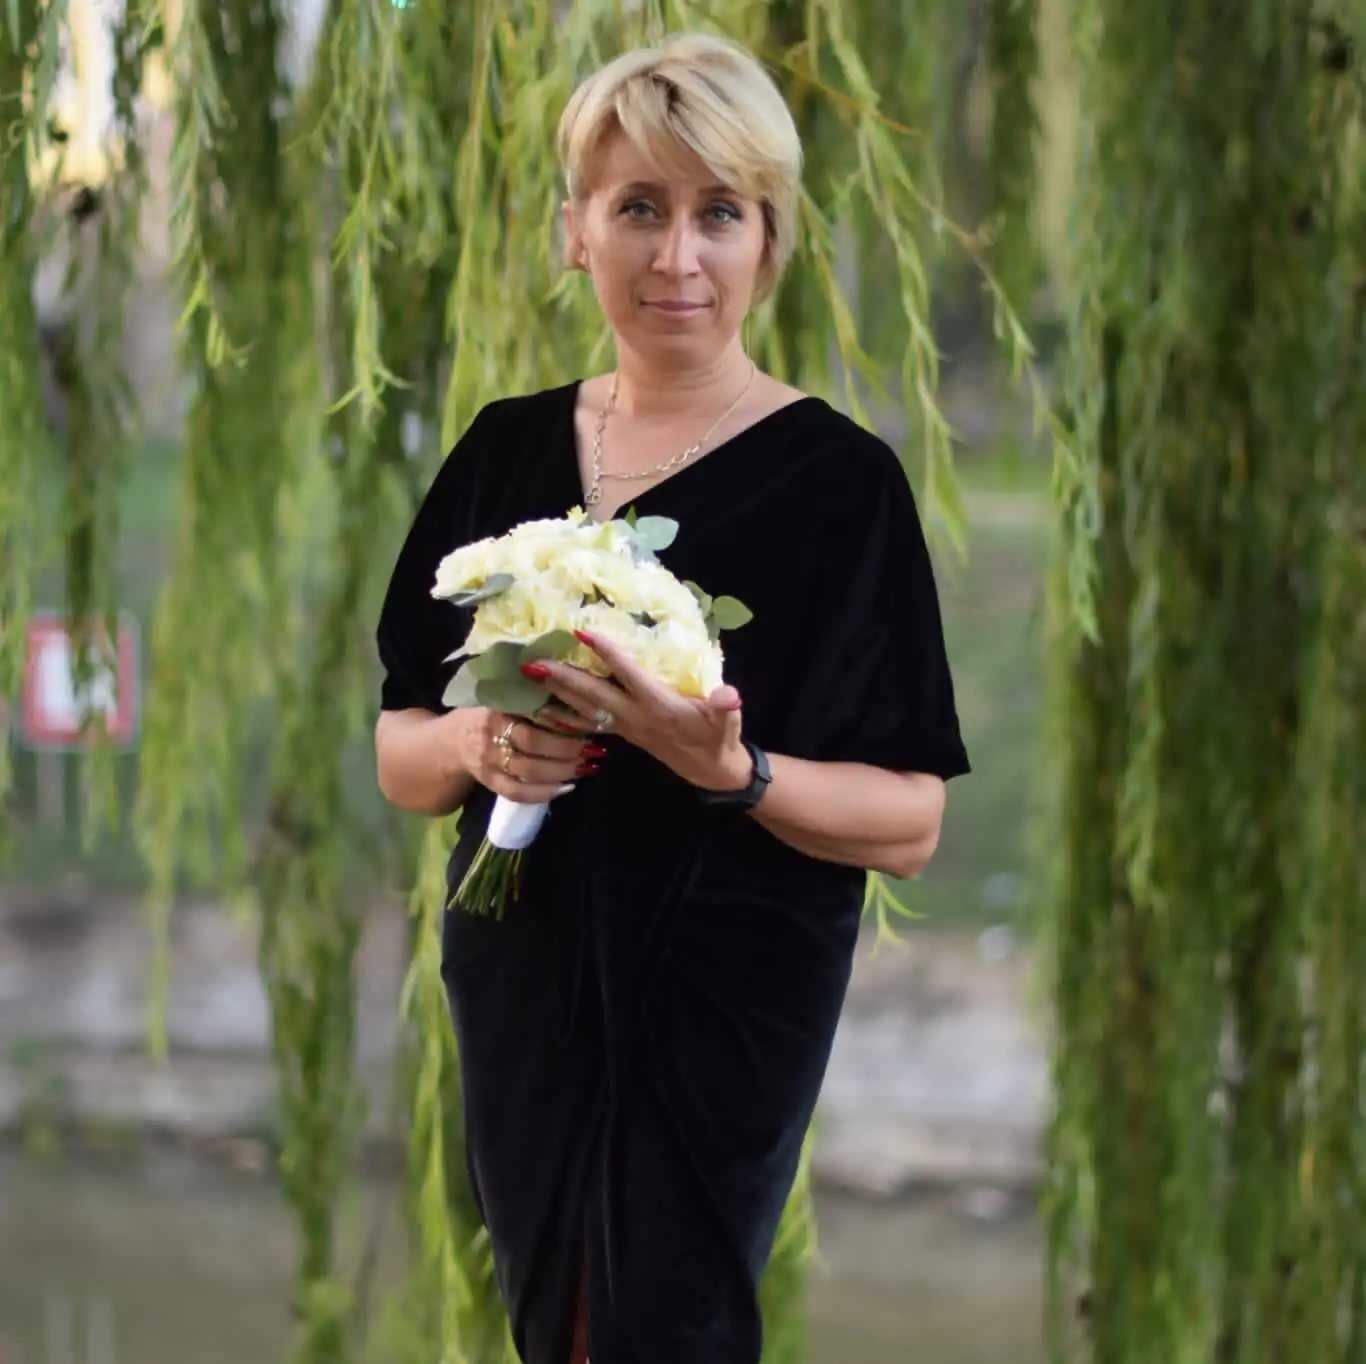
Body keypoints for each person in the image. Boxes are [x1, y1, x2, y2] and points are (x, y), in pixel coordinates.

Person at [374, 31, 970, 1364]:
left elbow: (910, 821)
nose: (677, 255)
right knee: (552, 1318)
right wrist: (480, 743)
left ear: (771, 241)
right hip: (524, 955)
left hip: (727, 978)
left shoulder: (839, 487)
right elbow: (399, 754)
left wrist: (731, 774)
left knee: (667, 1323)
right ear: (574, 231)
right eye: (638, 207)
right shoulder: (505, 451)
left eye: (720, 213)